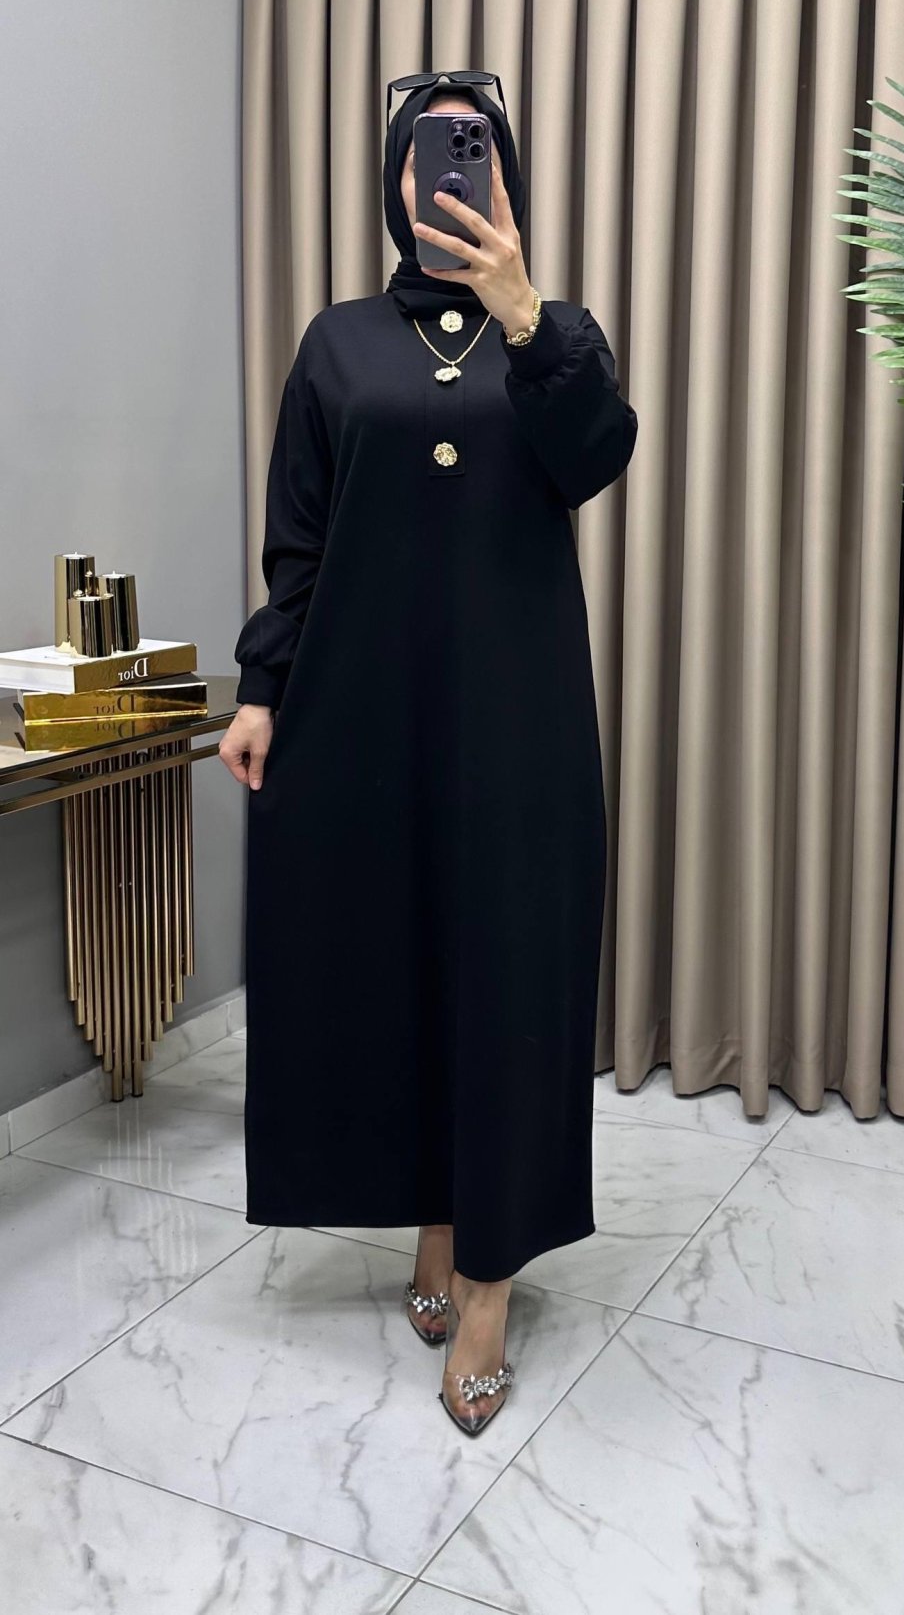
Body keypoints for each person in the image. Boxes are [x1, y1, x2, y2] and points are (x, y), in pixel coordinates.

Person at [219, 71, 638, 1435]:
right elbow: (300, 532)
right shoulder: (338, 342)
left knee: (508, 984)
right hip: (365, 714)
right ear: (398, 182)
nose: (451, 173)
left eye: (476, 150)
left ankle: (492, 1286)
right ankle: (437, 1224)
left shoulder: (555, 335)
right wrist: (263, 688)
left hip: (518, 724)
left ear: (503, 176)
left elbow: (595, 457)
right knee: (396, 971)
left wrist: (523, 311)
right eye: (429, 153)